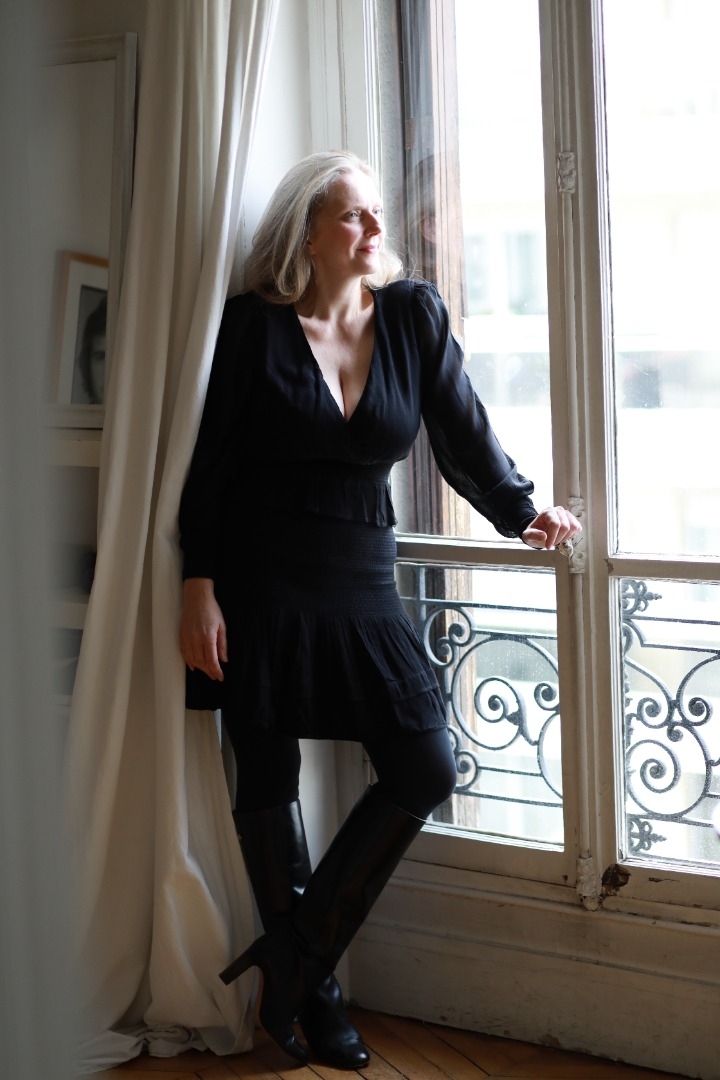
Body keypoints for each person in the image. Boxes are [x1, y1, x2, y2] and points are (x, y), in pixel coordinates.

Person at [178, 150, 581, 1069]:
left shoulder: (411, 316)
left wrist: (522, 510)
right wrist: (198, 585)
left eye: (375, 213)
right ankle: (315, 1000)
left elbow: (462, 431)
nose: (376, 228)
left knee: (424, 763)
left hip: (362, 578)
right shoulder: (253, 328)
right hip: (261, 581)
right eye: (354, 215)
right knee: (267, 775)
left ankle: (291, 957)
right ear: (308, 234)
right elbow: (214, 468)